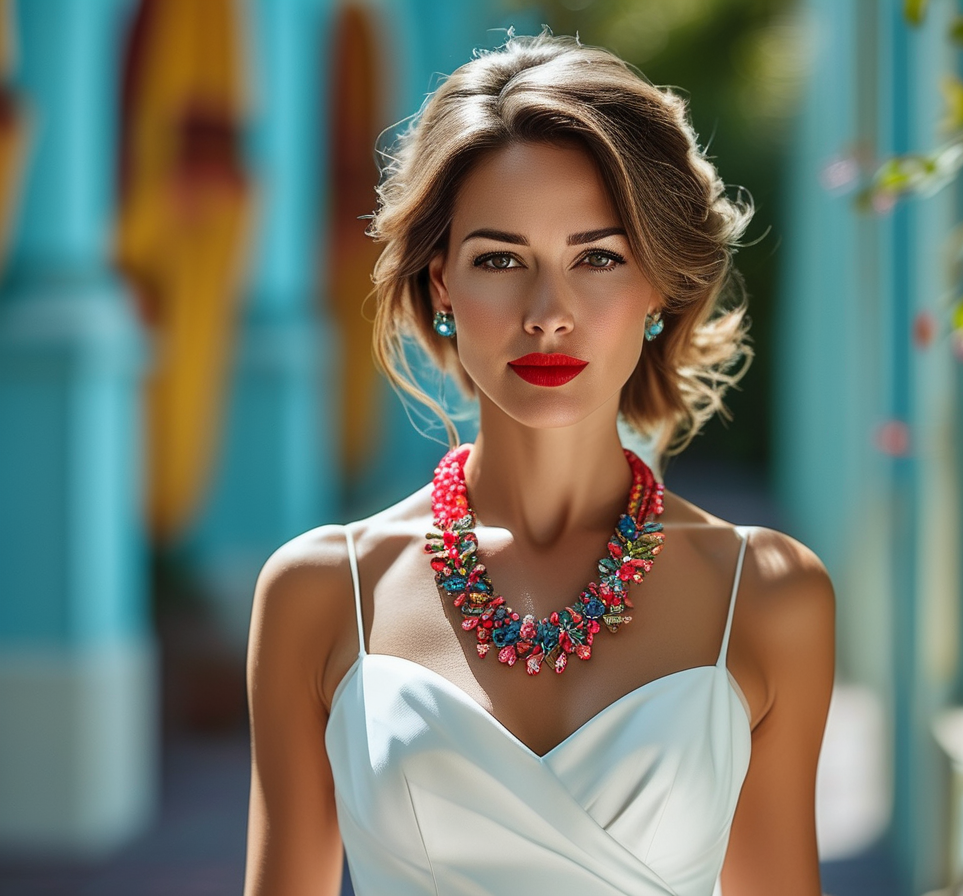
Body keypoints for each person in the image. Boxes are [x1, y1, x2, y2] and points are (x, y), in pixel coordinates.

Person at [243, 31, 835, 896]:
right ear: (441, 284)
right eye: (500, 260)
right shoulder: (322, 592)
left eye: (597, 257)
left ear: (658, 288)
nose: (548, 312)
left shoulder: (770, 594)